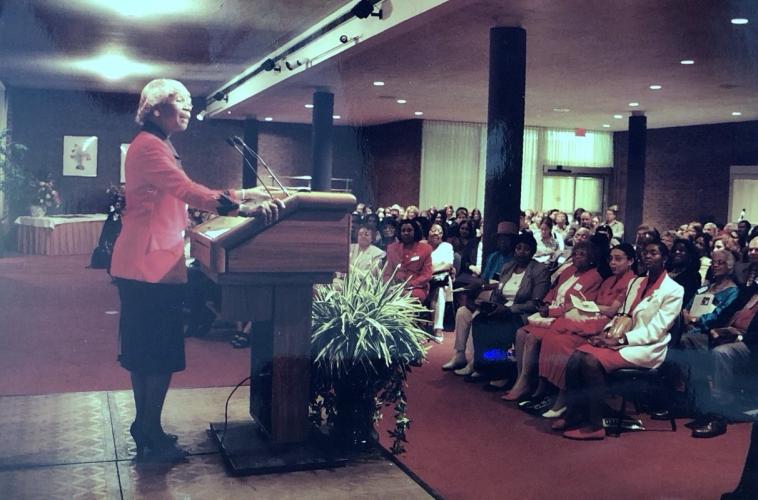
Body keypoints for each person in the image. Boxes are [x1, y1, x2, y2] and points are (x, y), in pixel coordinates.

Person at [110, 79, 284, 461]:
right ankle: (149, 431)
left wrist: (242, 194)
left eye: (189, 102)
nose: (188, 108)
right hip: (148, 265)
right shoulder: (151, 147)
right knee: (155, 354)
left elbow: (181, 192)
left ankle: (147, 426)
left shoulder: (158, 145)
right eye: (180, 102)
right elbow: (186, 190)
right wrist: (243, 208)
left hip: (149, 263)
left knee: (147, 353)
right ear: (156, 109)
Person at [555, 241, 684, 440]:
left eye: (653, 253)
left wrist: (621, 339)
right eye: (645, 253)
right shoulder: (636, 282)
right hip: (622, 338)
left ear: (664, 258)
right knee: (577, 355)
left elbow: (656, 331)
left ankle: (595, 424)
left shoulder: (674, 290)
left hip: (648, 346)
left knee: (590, 361)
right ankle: (574, 414)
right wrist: (607, 334)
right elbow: (621, 315)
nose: (647, 256)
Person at [536, 243, 637, 417]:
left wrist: (590, 306)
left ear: (631, 261)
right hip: (594, 317)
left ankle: (563, 398)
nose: (613, 263)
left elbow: (612, 311)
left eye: (618, 259)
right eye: (611, 259)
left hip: (609, 324)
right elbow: (595, 305)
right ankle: (549, 391)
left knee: (565, 342)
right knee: (553, 335)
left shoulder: (632, 282)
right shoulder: (609, 280)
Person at [502, 241, 603, 404]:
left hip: (565, 318)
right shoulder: (569, 270)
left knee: (532, 337)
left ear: (591, 258)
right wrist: (546, 304)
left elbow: (577, 306)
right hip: (549, 313)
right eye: (575, 253)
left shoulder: (594, 277)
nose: (577, 257)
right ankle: (522, 380)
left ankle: (531, 383)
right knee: (521, 333)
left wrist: (551, 311)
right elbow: (553, 291)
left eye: (582, 254)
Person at [469, 233, 550, 388]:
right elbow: (499, 292)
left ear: (532, 252)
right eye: (518, 248)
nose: (521, 251)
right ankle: (484, 367)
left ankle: (502, 373)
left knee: (500, 328)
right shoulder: (508, 267)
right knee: (480, 321)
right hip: (502, 309)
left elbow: (535, 303)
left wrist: (508, 309)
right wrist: (490, 305)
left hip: (521, 313)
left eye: (526, 249)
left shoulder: (539, 270)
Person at [384, 219, 433, 302]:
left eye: (409, 230)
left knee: (407, 296)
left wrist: (410, 284)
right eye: (403, 230)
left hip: (416, 287)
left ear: (415, 232)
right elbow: (387, 273)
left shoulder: (425, 249)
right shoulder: (391, 248)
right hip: (395, 286)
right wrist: (390, 285)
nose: (406, 233)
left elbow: (427, 275)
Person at [427, 223, 455, 341]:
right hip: (424, 279)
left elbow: (448, 265)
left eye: (440, 231)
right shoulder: (423, 246)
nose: (437, 233)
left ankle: (438, 327)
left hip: (440, 278)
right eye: (434, 230)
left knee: (440, 289)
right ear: (429, 232)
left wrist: (431, 270)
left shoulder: (447, 246)